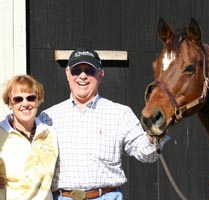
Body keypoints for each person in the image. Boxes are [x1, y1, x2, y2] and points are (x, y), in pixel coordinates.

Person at [39, 48, 170, 200]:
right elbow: (31, 161)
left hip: (106, 197)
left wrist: (154, 133)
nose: (82, 76)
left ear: (100, 75)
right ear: (67, 73)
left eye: (89, 70)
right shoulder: (48, 117)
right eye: (76, 71)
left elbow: (147, 155)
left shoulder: (120, 114)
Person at [0, 75, 58, 199]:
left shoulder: (49, 134)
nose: (25, 104)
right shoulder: (1, 135)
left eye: (30, 98)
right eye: (18, 99)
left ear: (38, 100)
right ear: (10, 102)